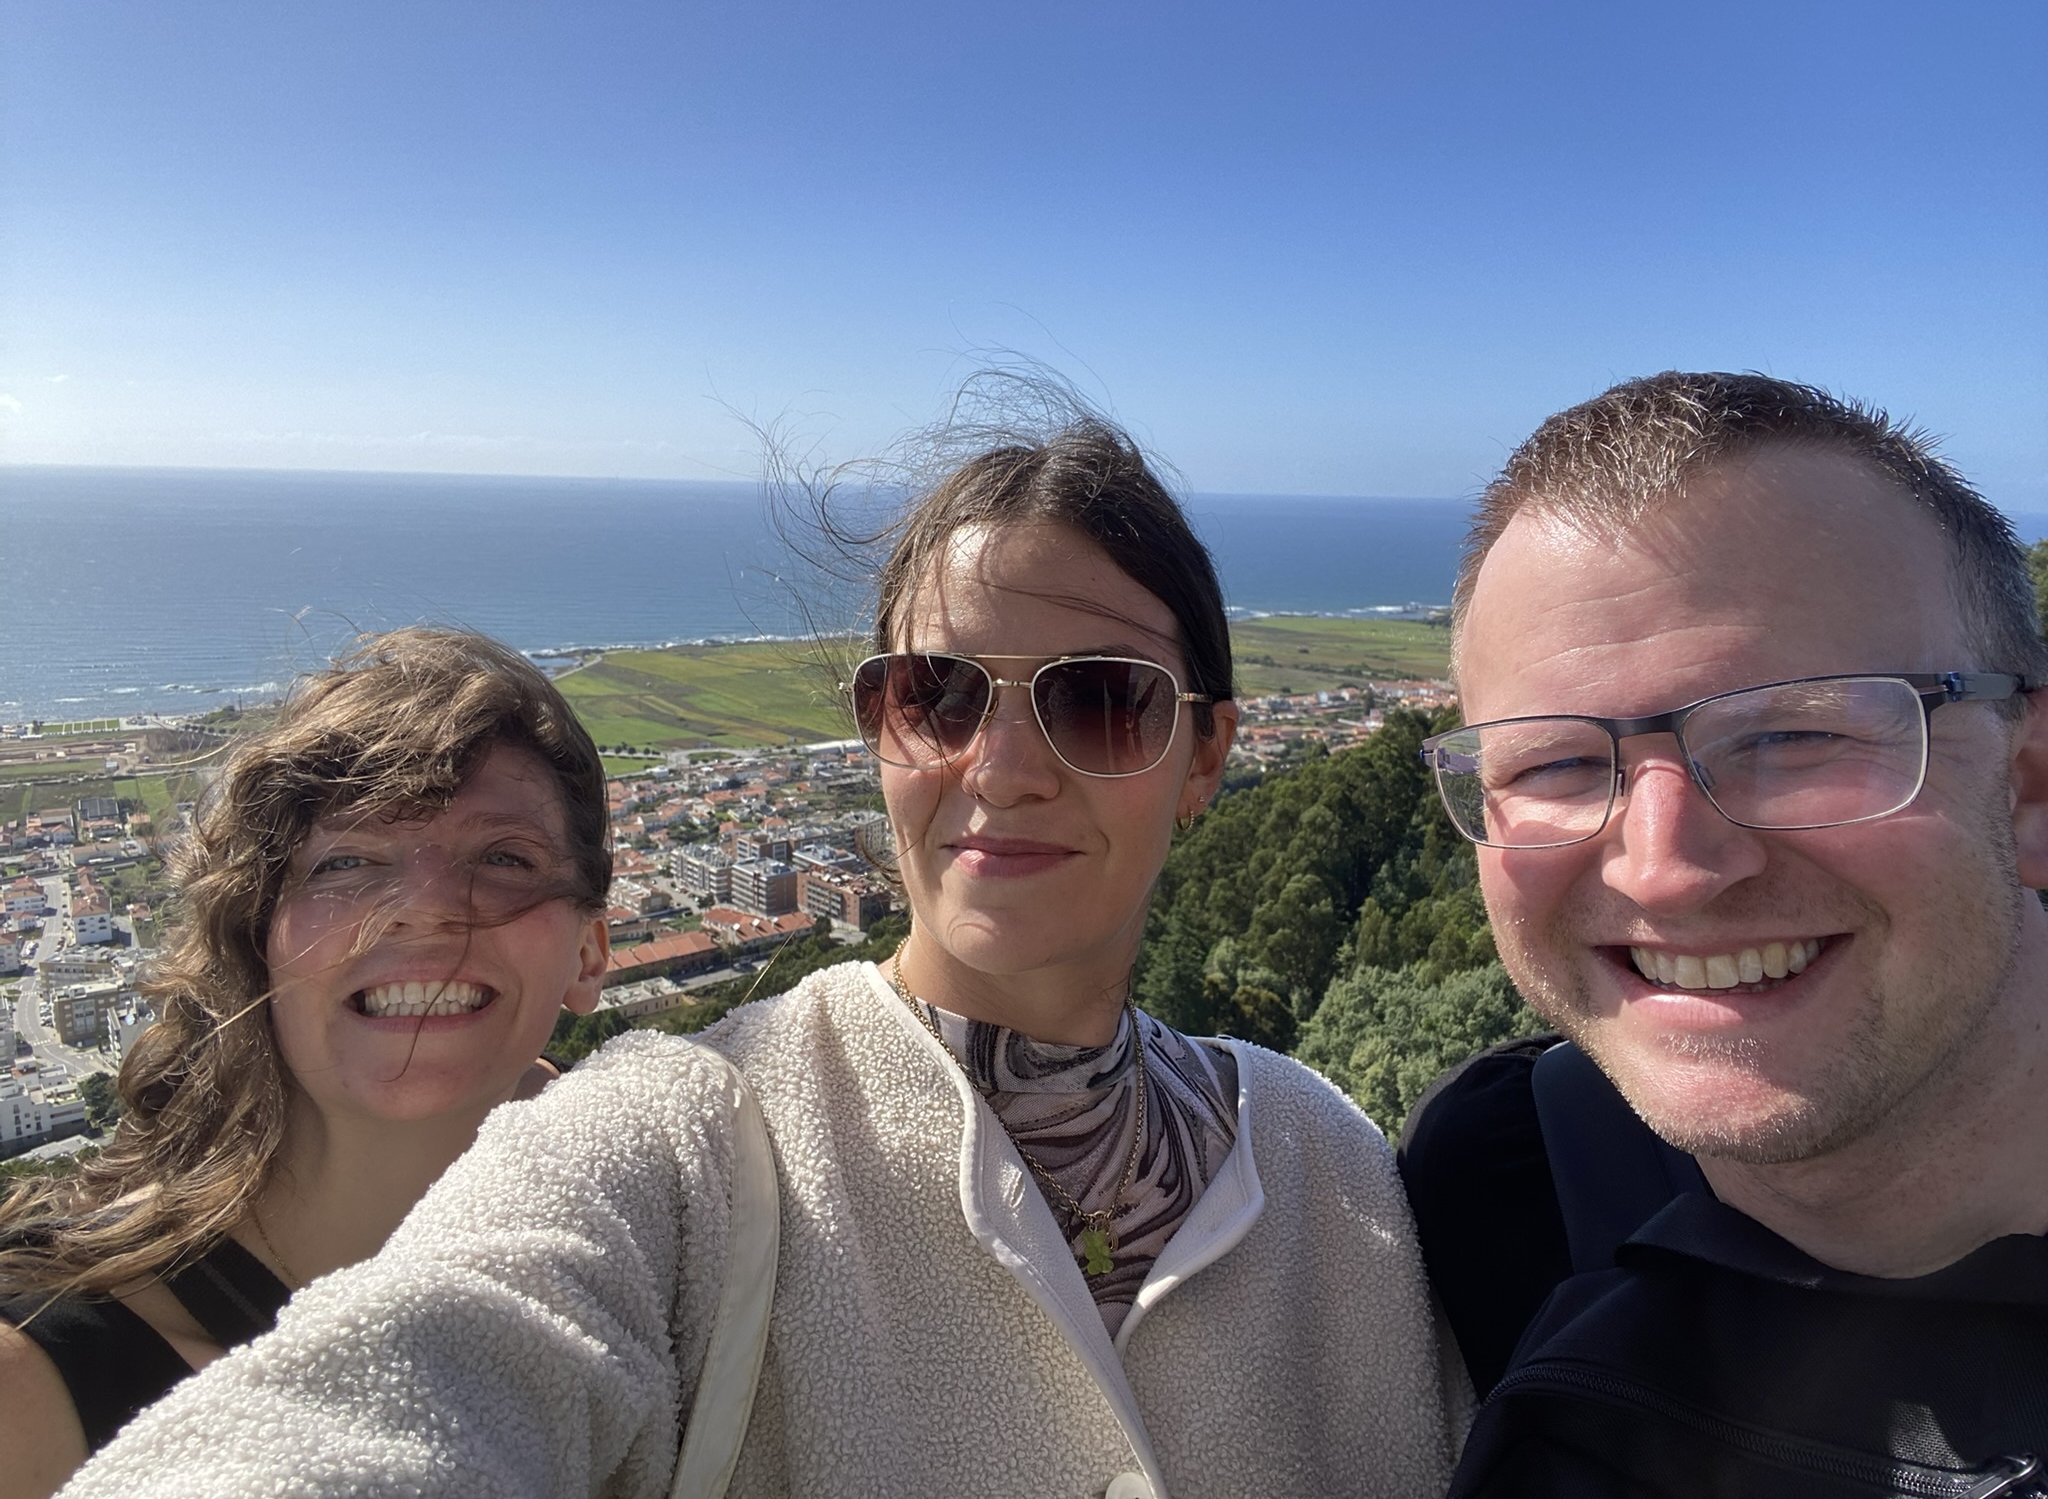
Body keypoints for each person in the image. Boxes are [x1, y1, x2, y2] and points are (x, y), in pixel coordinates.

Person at [59, 409, 1462, 1499]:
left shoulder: (1331, 1161)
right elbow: (403, 1381)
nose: (1005, 768)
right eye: (937, 696)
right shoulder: (680, 1138)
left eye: (1099, 702)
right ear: (879, 733)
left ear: (1207, 752)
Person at [1400, 373, 2048, 1494]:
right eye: (1552, 763)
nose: (1663, 869)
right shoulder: (1502, 1193)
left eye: (1791, 733)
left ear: (2028, 786)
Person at [0, 628, 611, 1499]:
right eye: (348, 862)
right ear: (259, 944)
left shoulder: (670, 1250)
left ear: (591, 954)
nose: (423, 907)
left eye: (503, 859)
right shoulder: (34, 1384)